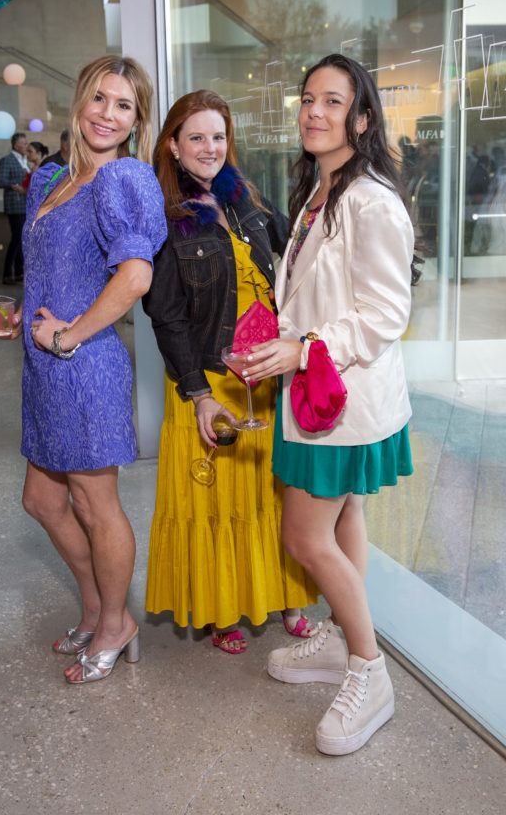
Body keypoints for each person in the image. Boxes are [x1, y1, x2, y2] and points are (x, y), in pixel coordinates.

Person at [244, 54, 417, 755]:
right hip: (317, 393)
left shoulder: (370, 200)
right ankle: (342, 640)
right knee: (344, 517)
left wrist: (303, 348)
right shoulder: (320, 190)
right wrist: (279, 337)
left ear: (362, 118)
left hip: (340, 396)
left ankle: (369, 672)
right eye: (308, 98)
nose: (314, 111)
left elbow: (385, 312)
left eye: (333, 101)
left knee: (303, 539)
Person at [0, 56, 166, 684]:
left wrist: (67, 334)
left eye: (124, 106)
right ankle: (95, 607)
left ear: (137, 121)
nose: (107, 114)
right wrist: (24, 319)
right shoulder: (51, 179)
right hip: (45, 369)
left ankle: (116, 622)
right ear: (80, 100)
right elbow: (53, 271)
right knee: (41, 499)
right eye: (99, 99)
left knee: (94, 502)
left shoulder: (123, 179)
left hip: (85, 368)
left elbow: (134, 277)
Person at [143, 90, 319, 655]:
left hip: (263, 376)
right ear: (173, 145)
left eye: (218, 136)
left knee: (273, 496)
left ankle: (288, 597)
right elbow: (166, 315)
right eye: (195, 137)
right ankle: (223, 607)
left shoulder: (246, 200)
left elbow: (302, 253)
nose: (209, 147)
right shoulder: (164, 216)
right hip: (208, 377)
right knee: (216, 500)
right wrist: (197, 394)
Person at [0, 131, 29, 285]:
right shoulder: (7, 160)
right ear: (16, 146)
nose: (26, 146)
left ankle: (18, 271)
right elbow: (1, 181)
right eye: (24, 143)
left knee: (22, 238)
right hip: (14, 204)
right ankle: (7, 273)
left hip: (25, 204)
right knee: (16, 238)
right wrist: (16, 185)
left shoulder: (25, 160)